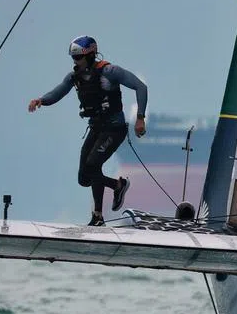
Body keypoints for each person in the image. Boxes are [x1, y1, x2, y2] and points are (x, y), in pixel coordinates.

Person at [28, 35, 148, 226]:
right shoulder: (74, 77)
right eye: (73, 58)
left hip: (114, 129)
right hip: (96, 128)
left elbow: (141, 87)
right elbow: (59, 91)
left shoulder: (109, 71)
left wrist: (140, 117)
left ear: (91, 54)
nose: (75, 61)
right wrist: (41, 100)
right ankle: (117, 185)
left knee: (93, 165)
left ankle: (97, 216)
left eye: (78, 57)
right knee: (84, 178)